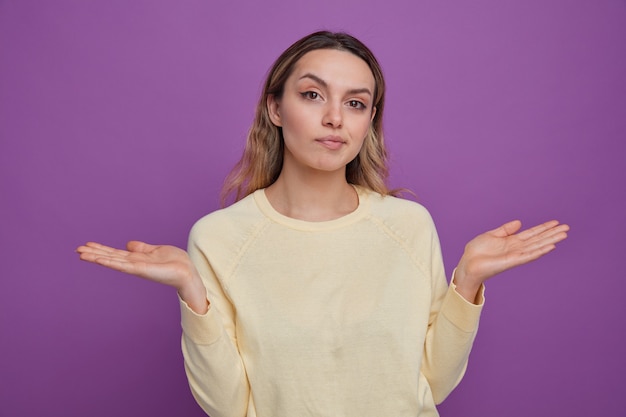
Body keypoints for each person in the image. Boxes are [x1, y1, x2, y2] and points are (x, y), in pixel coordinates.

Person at [76, 31, 569, 417]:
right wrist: (191, 291)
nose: (335, 117)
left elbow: (431, 385)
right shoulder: (219, 237)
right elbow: (227, 406)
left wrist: (467, 284)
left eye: (355, 103)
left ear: (368, 121)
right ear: (275, 108)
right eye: (313, 95)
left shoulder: (408, 225)